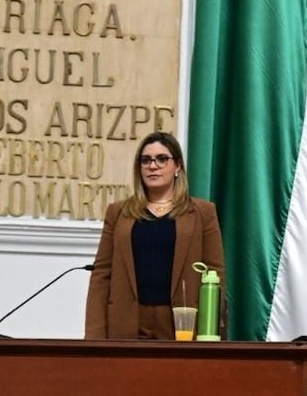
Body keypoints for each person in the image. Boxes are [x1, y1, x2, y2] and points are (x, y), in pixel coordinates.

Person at [85, 132, 226, 339]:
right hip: (127, 321)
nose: (153, 166)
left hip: (183, 322)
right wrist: (94, 336)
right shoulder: (118, 212)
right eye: (146, 160)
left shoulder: (203, 213)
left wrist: (212, 330)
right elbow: (101, 275)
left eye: (162, 159)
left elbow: (216, 272)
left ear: (177, 167)